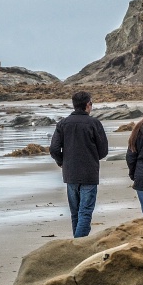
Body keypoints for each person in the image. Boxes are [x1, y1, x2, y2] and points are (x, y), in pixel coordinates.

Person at [49, 91, 109, 238]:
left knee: (76, 212)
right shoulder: (94, 123)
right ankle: (79, 243)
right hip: (89, 173)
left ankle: (78, 242)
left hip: (70, 173)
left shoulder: (63, 123)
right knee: (85, 212)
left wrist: (62, 161)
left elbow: (54, 149)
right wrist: (93, 158)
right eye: (91, 103)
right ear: (87, 105)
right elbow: (103, 150)